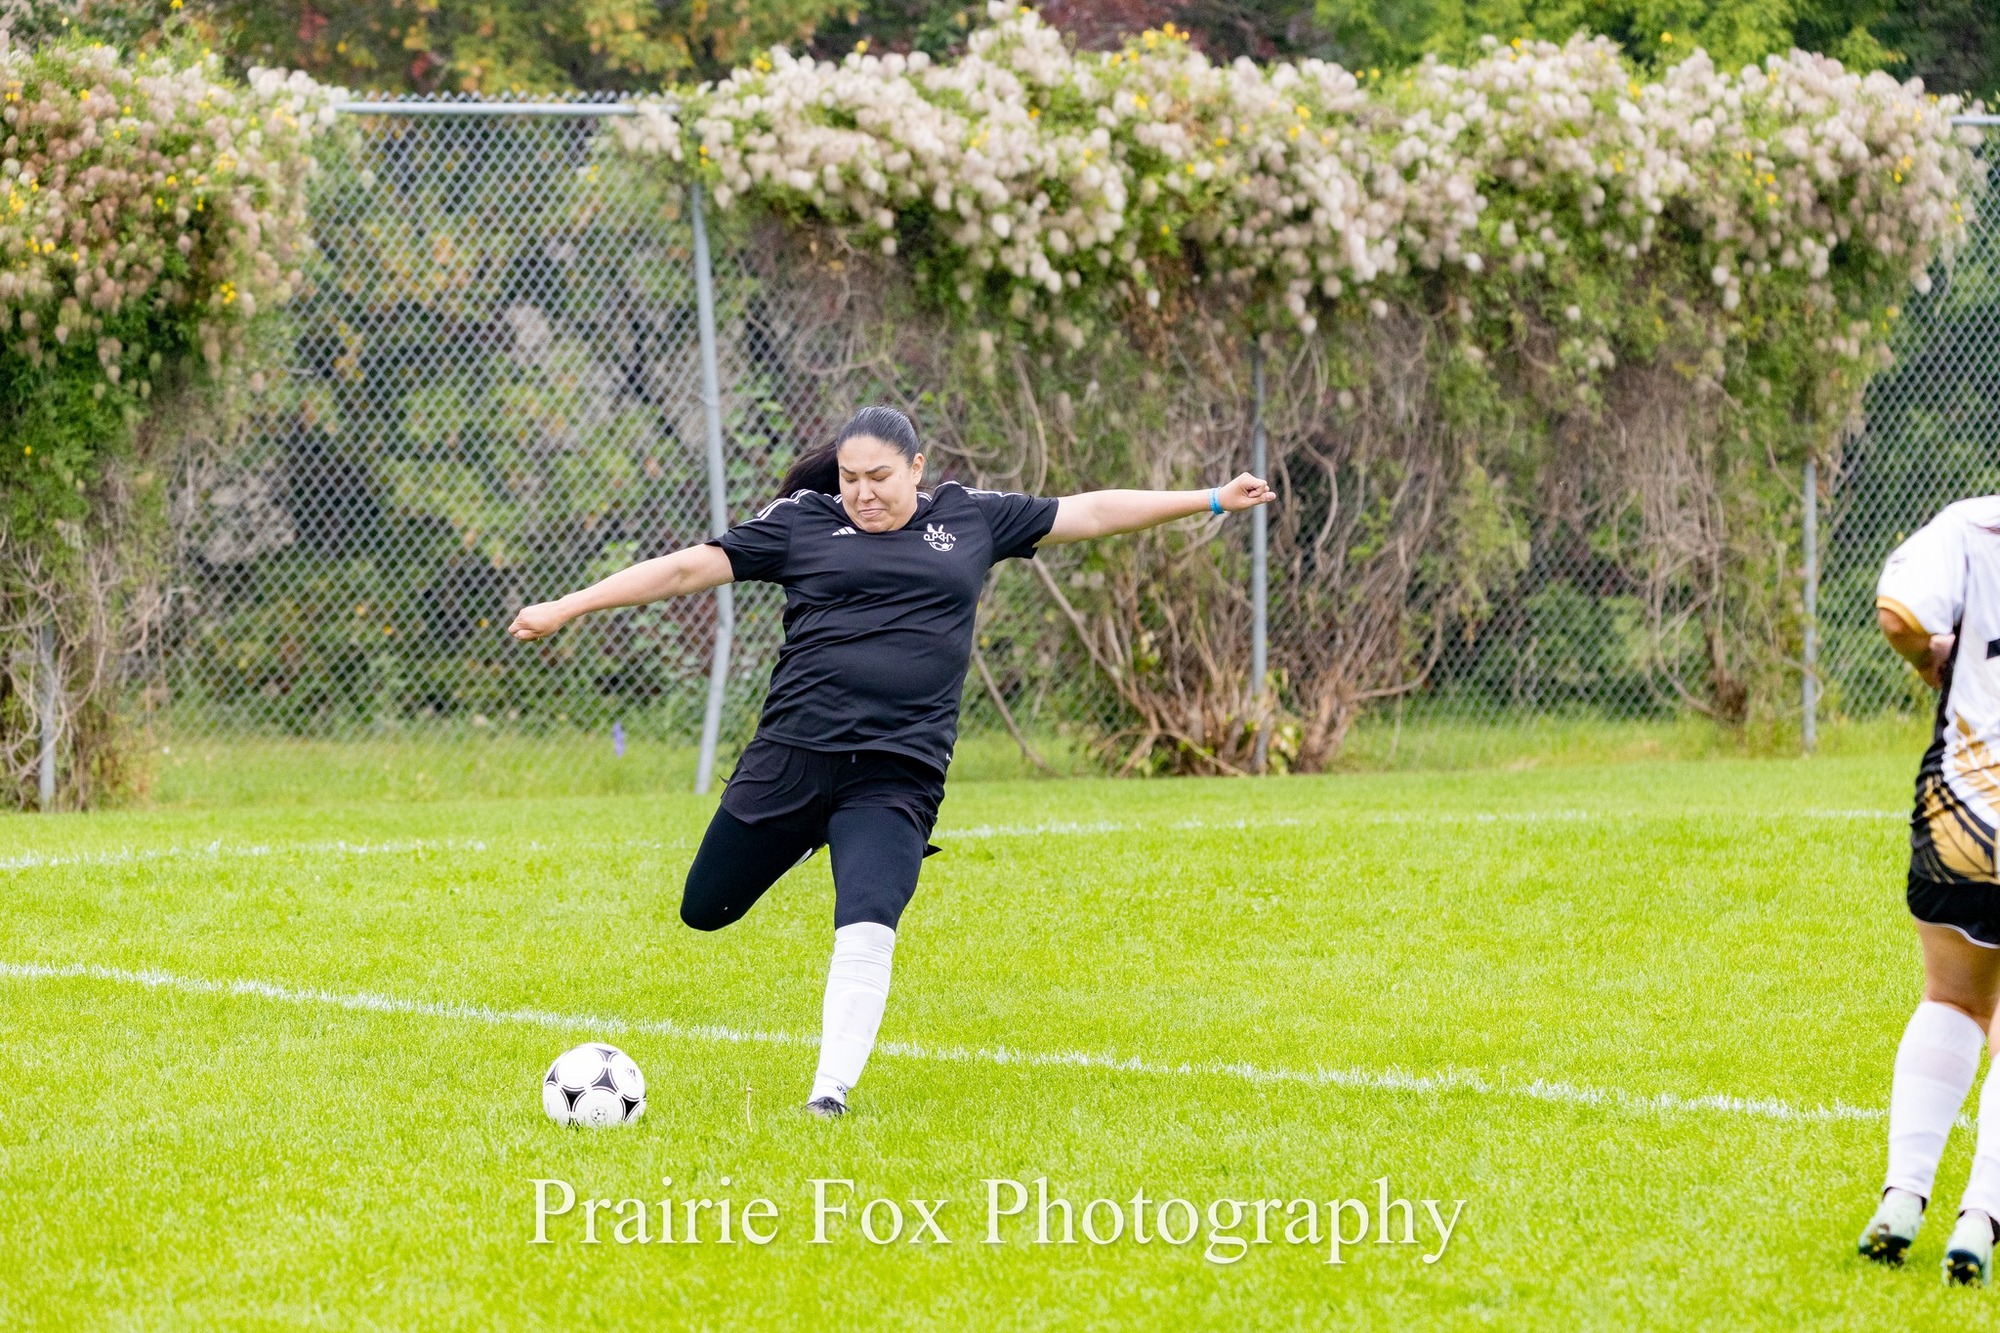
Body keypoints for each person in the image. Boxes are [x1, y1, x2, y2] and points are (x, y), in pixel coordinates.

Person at [508, 404, 1275, 1119]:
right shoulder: (802, 523)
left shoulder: (969, 518)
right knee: (705, 908)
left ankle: (829, 1093)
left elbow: (1093, 511)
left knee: (869, 917)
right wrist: (568, 606)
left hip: (896, 775)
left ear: (916, 468)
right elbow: (684, 569)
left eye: (879, 477)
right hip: (791, 761)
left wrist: (1211, 498)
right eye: (850, 478)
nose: (863, 493)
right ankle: (810, 833)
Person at [1861, 496, 2000, 1285]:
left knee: (1952, 999)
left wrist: (1930, 657)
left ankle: (1903, 1198)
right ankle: (1979, 1218)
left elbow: (1899, 613)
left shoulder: (1972, 524)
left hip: (1962, 810)